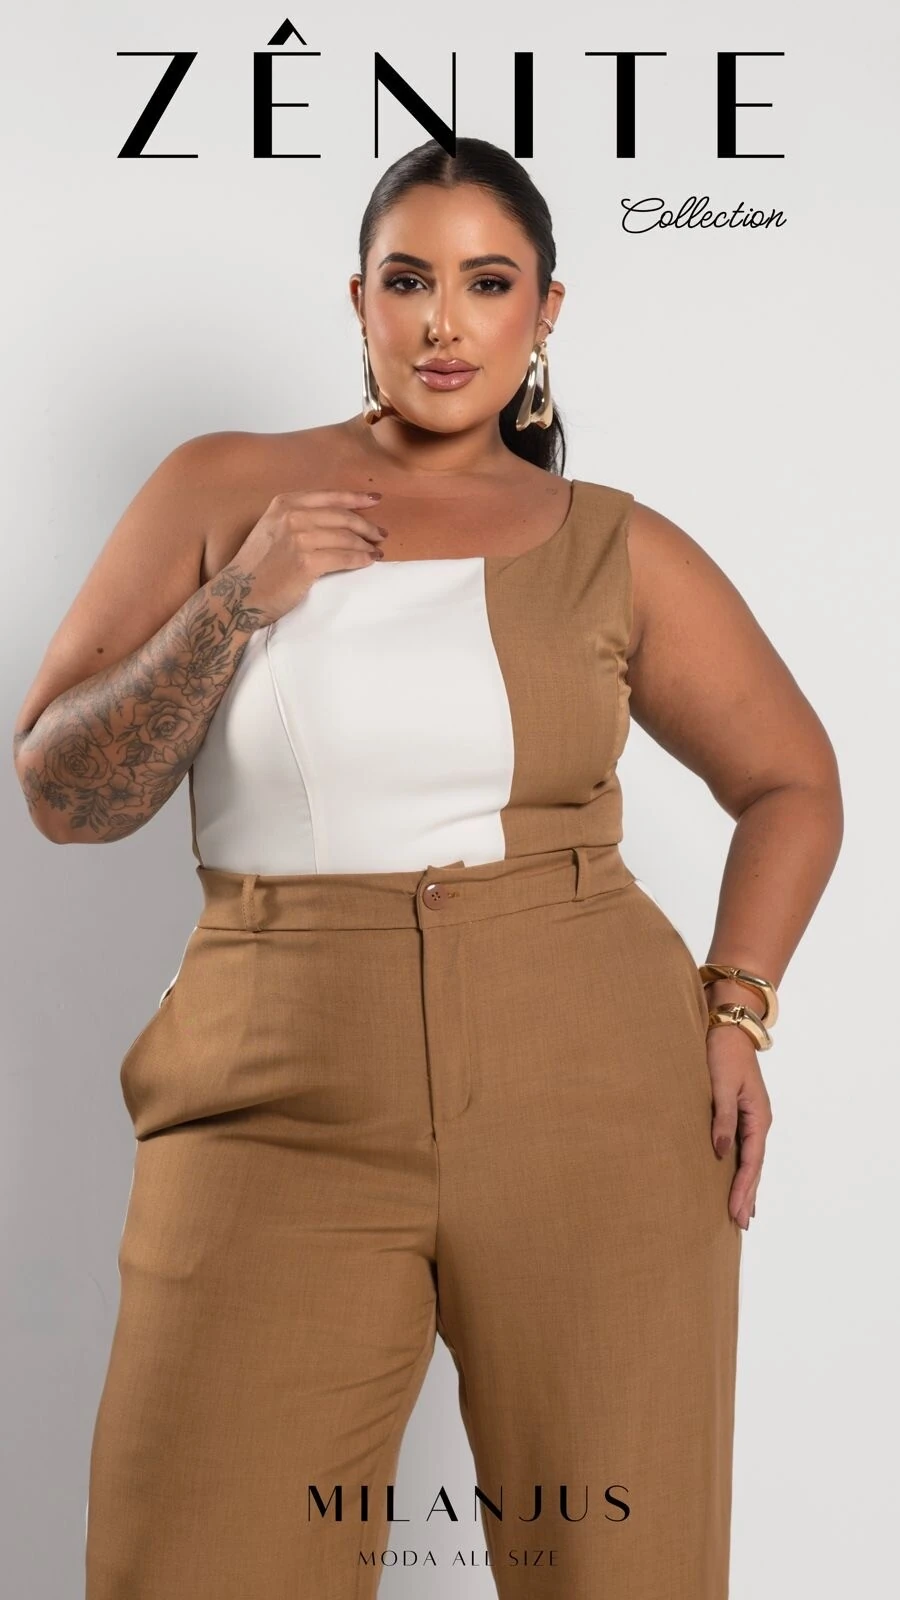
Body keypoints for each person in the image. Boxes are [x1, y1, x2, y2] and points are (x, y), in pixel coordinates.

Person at [12, 137, 843, 1600]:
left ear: (546, 312)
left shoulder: (610, 546)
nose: (444, 323)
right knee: (193, 1558)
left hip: (594, 1083)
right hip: (271, 1084)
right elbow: (64, 796)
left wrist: (737, 1007)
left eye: (487, 283)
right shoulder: (225, 486)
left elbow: (793, 782)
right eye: (409, 281)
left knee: (623, 1572)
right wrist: (238, 601)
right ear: (360, 299)